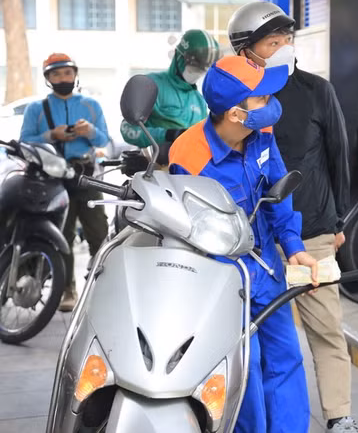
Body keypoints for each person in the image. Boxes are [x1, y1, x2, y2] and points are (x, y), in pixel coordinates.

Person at [169, 55, 319, 433]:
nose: (271, 105)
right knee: (242, 369)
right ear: (235, 114)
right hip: (221, 283)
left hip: (267, 272)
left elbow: (277, 191)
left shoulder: (262, 135)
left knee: (285, 359)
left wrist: (293, 245)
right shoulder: (189, 158)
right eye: (262, 99)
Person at [228, 2, 358, 433]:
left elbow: (340, 157)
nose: (284, 47)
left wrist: (338, 223)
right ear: (247, 51)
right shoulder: (230, 98)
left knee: (327, 329)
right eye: (272, 42)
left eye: (288, 39)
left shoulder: (317, 91)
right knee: (259, 342)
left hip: (314, 231)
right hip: (255, 244)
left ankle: (339, 416)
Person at [19, 53, 110, 312]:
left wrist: (89, 131)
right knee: (63, 235)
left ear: (75, 75)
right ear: (48, 78)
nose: (63, 78)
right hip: (53, 179)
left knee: (99, 234)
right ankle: (67, 289)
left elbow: (104, 140)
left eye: (67, 73)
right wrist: (51, 135)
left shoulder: (91, 105)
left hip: (87, 175)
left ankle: (99, 288)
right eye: (56, 74)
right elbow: (25, 141)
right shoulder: (37, 109)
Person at [120, 29, 220, 168]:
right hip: (151, 171)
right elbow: (128, 130)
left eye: (202, 70)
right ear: (179, 58)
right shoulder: (151, 86)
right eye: (194, 67)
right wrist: (168, 135)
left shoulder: (199, 100)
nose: (197, 73)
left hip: (187, 174)